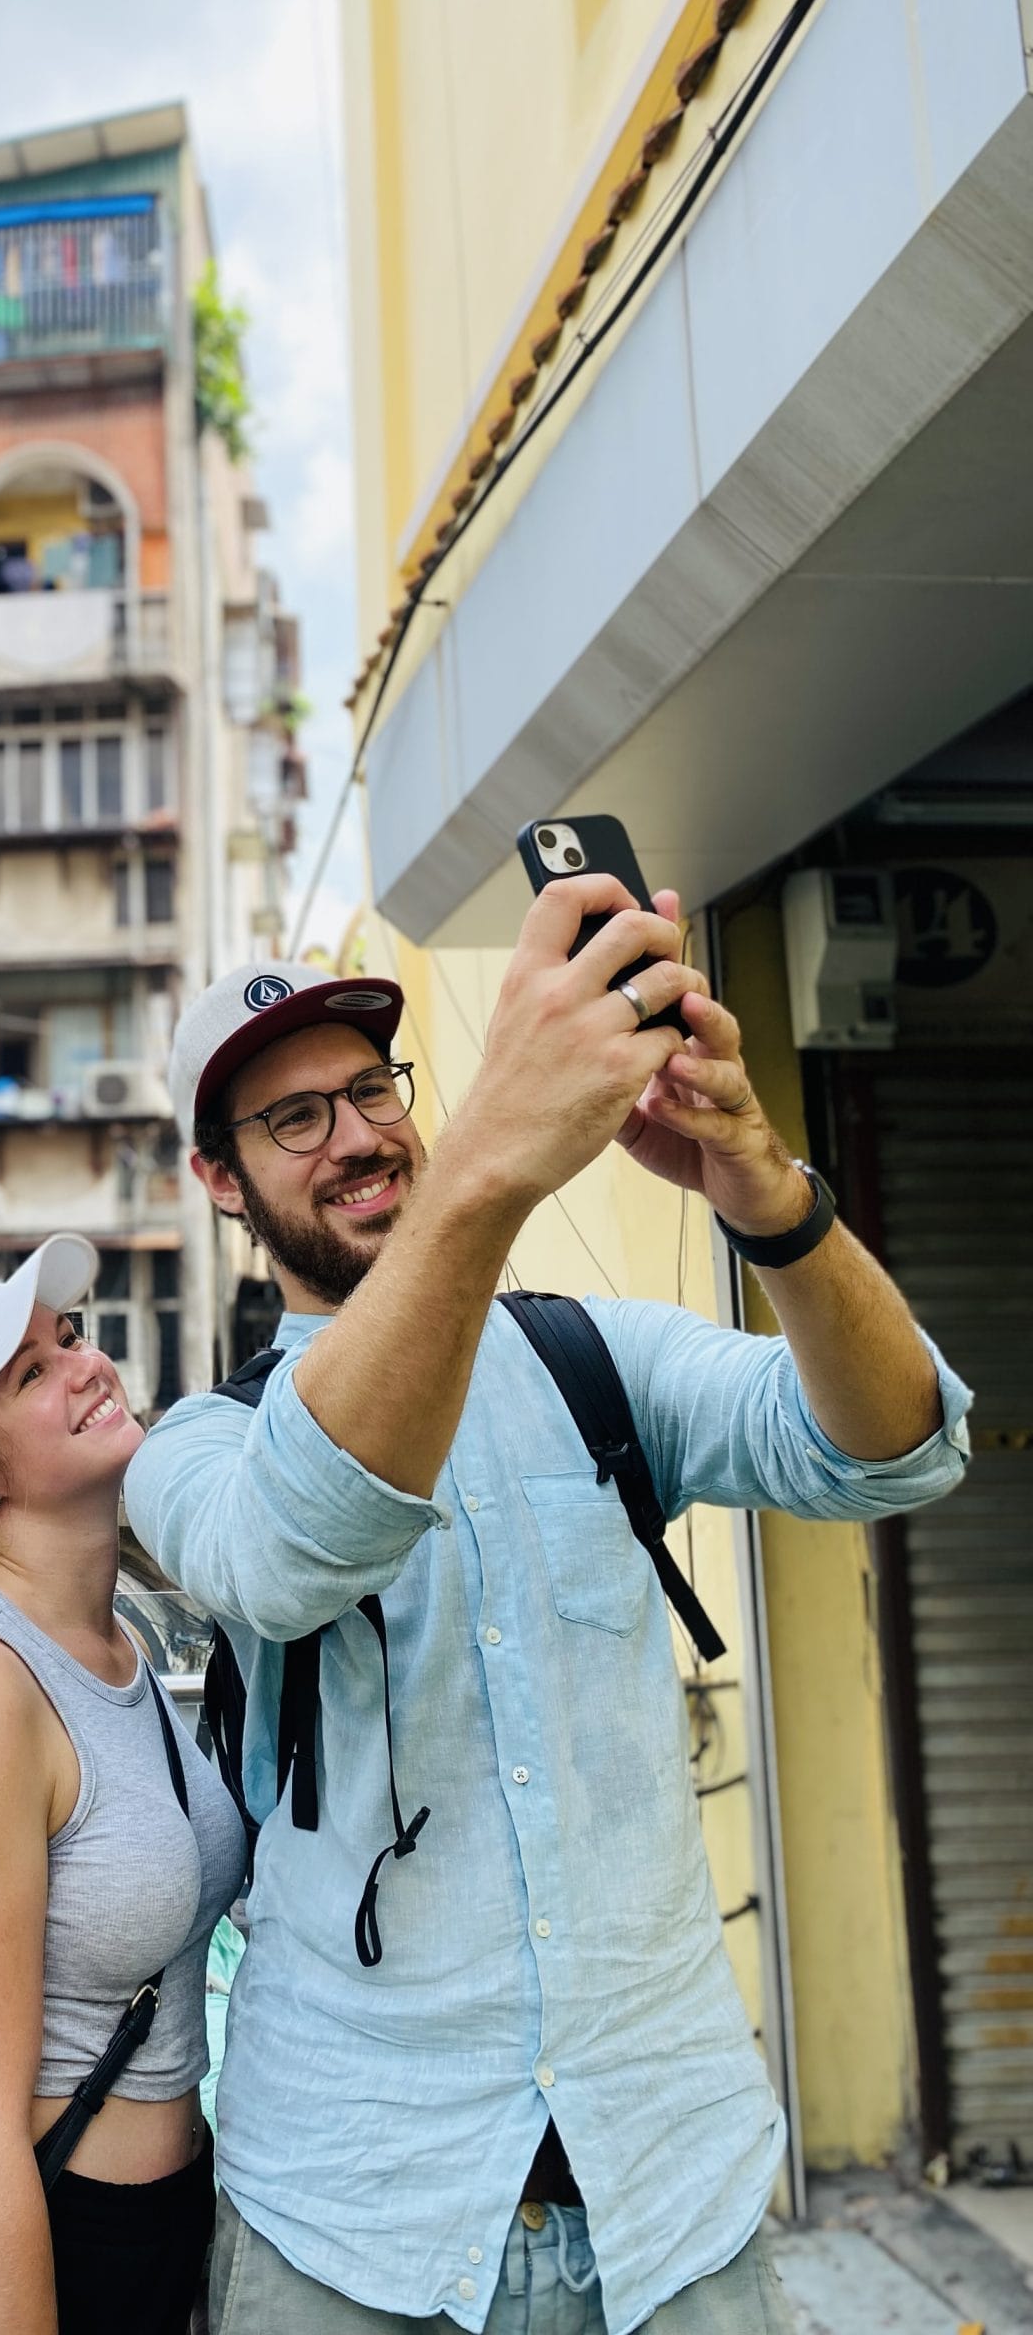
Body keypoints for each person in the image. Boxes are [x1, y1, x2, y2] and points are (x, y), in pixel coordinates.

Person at [125, 878, 972, 2335]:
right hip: (351, 2222)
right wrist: (491, 1167)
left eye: (369, 1091)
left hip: (672, 2199)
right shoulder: (197, 1449)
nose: (357, 1137)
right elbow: (299, 1546)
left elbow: (898, 1448)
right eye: (293, 1120)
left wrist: (765, 1192)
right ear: (220, 1179)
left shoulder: (598, 1363)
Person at [0, 1233, 247, 2335]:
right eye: (32, 1372)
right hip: (42, 2245)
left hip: (154, 2233)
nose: (86, 1364)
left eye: (70, 1336)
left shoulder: (115, 1644)